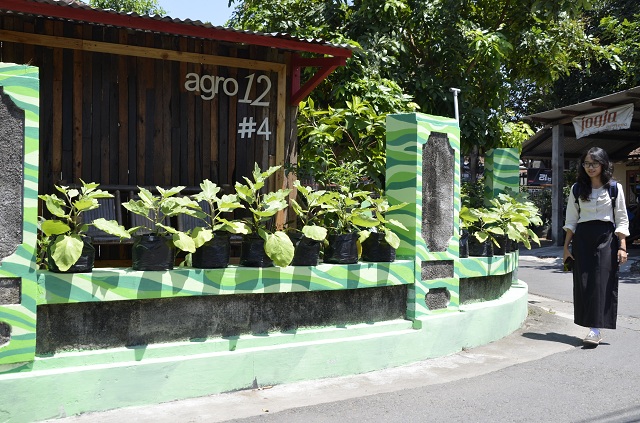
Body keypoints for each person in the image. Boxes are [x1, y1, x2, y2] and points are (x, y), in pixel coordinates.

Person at [563, 147, 629, 346]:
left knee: (601, 282)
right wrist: (566, 247)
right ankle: (590, 325)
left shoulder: (614, 188)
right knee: (583, 282)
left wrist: (622, 246)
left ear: (603, 164)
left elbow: (621, 219)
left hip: (606, 238)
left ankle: (595, 329)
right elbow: (571, 221)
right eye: (586, 164)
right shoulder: (577, 189)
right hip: (582, 239)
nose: (590, 167)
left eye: (594, 163)